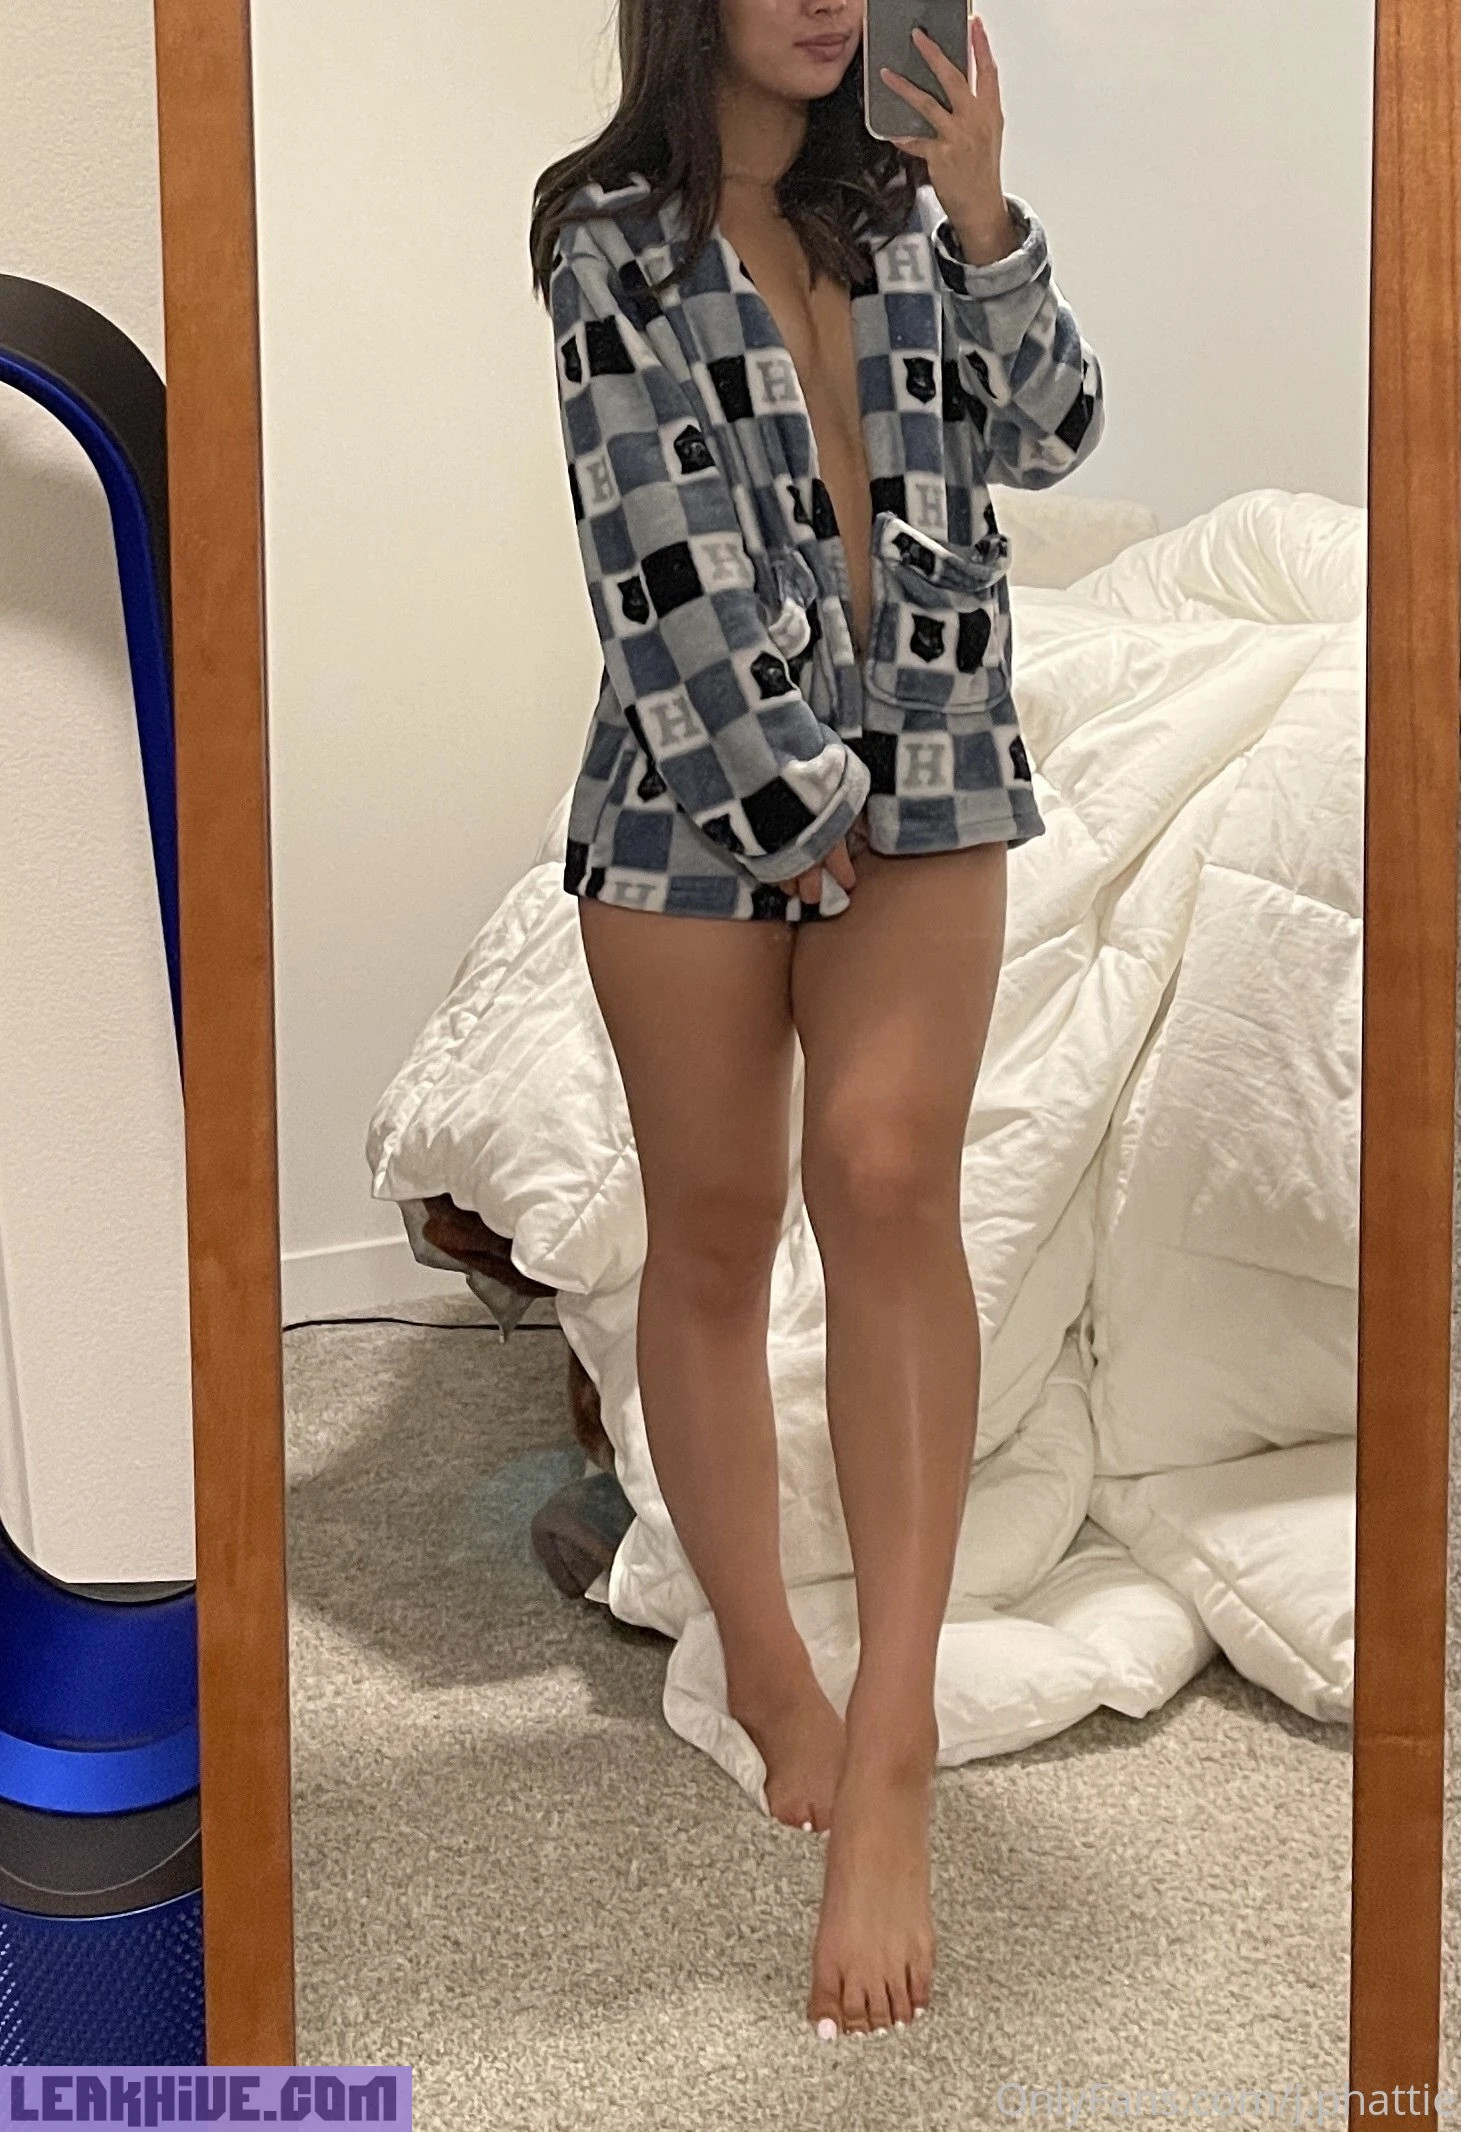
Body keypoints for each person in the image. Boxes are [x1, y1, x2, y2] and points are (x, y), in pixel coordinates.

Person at [530, 0, 1103, 2041]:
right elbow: (648, 554)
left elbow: (1052, 434)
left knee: (885, 1176)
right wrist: (785, 801)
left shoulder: (911, 218)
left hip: (932, 758)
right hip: (692, 787)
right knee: (710, 1231)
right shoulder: (606, 232)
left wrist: (988, 214)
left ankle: (892, 1754)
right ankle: (772, 1667)